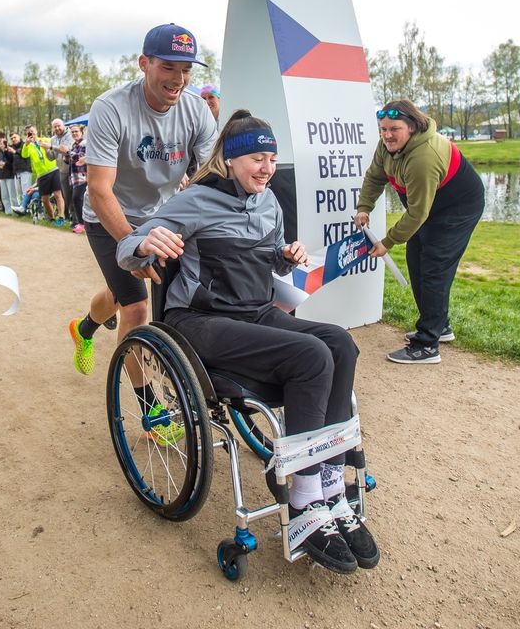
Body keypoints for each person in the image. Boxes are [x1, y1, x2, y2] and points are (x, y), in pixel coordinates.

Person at [116, 110, 379, 575]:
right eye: (258, 157)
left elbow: (272, 263)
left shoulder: (269, 202)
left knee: (340, 344)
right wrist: (143, 243)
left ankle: (330, 483)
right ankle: (302, 500)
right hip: (199, 321)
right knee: (311, 355)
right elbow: (125, 252)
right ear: (232, 160)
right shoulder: (196, 200)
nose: (267, 167)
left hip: (253, 312)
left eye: (273, 158)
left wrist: (285, 255)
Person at [68, 23, 217, 375]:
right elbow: (99, 189)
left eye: (185, 69)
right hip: (109, 216)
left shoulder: (196, 110)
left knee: (122, 294)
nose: (178, 79)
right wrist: (133, 244)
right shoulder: (111, 107)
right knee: (135, 307)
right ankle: (149, 410)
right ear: (143, 64)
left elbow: (213, 172)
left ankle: (84, 327)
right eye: (167, 67)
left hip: (160, 216)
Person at [354, 100, 485, 365]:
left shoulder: (424, 157)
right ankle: (439, 325)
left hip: (457, 208)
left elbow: (417, 214)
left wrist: (387, 242)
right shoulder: (387, 146)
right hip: (428, 205)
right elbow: (374, 177)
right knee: (416, 261)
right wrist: (364, 206)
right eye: (383, 129)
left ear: (412, 127)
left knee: (434, 267)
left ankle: (427, 345)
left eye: (394, 129)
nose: (387, 135)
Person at [19, 124, 65, 226]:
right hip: (42, 174)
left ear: (36, 131)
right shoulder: (28, 145)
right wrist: (26, 144)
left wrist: (46, 145)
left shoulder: (45, 139)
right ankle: (52, 218)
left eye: (32, 131)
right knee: (44, 199)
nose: (31, 133)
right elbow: (24, 155)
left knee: (58, 194)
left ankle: (61, 217)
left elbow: (55, 147)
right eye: (28, 132)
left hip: (53, 169)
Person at [47, 118, 73, 224]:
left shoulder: (70, 135)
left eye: (59, 126)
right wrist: (46, 150)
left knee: (74, 195)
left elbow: (66, 149)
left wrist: (52, 147)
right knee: (65, 195)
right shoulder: (53, 139)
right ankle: (68, 217)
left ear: (64, 125)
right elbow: (51, 157)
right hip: (61, 170)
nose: (57, 128)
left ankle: (75, 218)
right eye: (55, 127)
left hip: (72, 169)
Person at [66, 123, 88, 234]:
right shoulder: (74, 145)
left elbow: (80, 158)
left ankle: (82, 223)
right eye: (72, 132)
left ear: (81, 132)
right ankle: (81, 223)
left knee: (77, 198)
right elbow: (71, 160)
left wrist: (67, 152)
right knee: (77, 199)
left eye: (76, 131)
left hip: (83, 177)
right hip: (75, 178)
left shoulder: (84, 143)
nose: (74, 134)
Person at [0, 133, 19, 214]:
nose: (2, 145)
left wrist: (5, 164)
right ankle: (8, 211)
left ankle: (15, 210)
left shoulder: (9, 151)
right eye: (0, 143)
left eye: (3, 143)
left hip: (9, 175)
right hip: (1, 175)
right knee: (4, 195)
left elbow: (12, 162)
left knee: (12, 194)